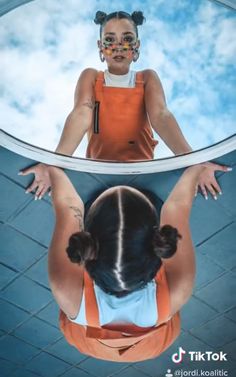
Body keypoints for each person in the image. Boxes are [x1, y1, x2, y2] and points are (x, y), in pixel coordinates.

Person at [21, 10, 226, 201]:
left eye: (127, 39)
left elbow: (161, 116)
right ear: (100, 47)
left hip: (142, 176)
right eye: (110, 39)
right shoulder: (91, 77)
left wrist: (193, 161)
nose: (118, 46)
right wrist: (55, 164)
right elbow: (81, 113)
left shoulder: (146, 78)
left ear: (137, 46)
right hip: (99, 175)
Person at [44, 162, 227, 362]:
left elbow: (69, 205)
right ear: (156, 242)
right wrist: (196, 169)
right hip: (152, 345)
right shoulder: (180, 288)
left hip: (90, 342)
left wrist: (51, 169)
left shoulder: (65, 289)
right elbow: (176, 207)